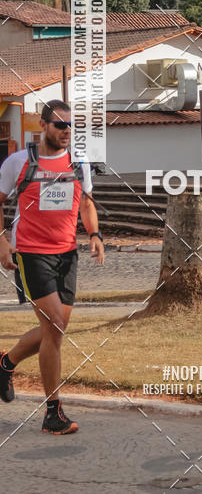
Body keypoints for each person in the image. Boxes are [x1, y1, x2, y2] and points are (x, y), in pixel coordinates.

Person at [0, 99, 104, 434]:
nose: (66, 131)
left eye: (71, 126)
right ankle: (52, 412)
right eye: (60, 125)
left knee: (53, 331)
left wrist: (94, 234)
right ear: (43, 125)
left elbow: (86, 203)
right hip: (31, 254)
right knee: (55, 325)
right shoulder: (19, 162)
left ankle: (5, 364)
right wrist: (3, 241)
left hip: (67, 254)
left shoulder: (78, 163)